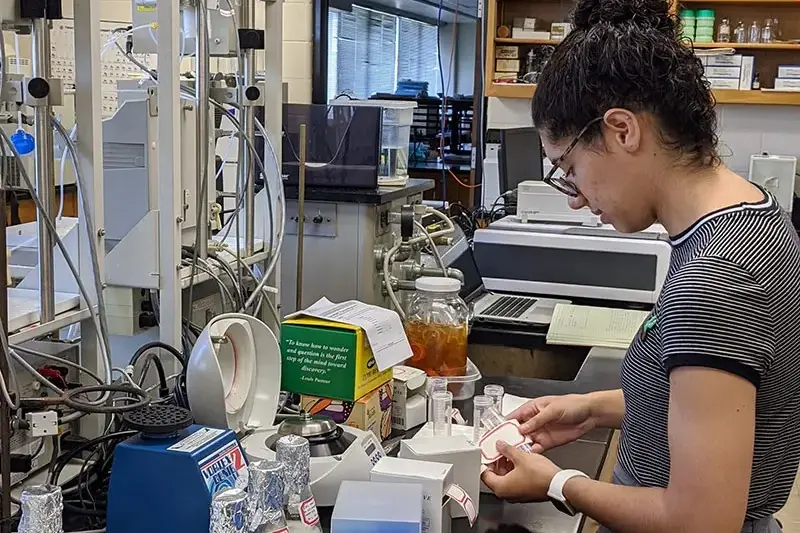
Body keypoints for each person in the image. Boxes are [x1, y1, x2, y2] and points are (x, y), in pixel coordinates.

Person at [479, 0, 800, 531]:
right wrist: (590, 408)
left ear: (623, 130)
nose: (576, 198)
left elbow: (700, 521)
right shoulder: (754, 215)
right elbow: (708, 405)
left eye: (570, 168)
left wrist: (558, 484)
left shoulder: (715, 281)